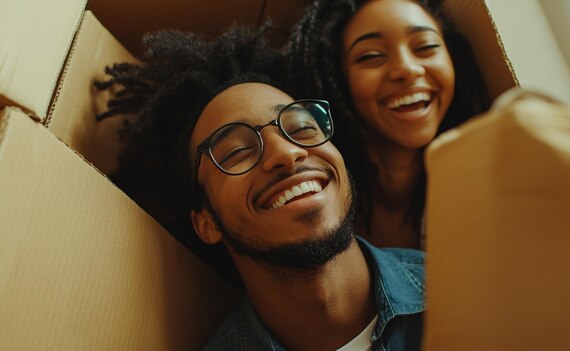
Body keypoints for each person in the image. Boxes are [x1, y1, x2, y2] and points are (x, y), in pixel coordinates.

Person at [97, 25, 426, 350]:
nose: (287, 152)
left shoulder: (462, 285)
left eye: (301, 127)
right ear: (207, 223)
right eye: (236, 151)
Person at [287, 0, 491, 249]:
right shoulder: (316, 200)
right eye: (371, 56)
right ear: (337, 80)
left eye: (425, 46)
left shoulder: (486, 185)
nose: (407, 69)